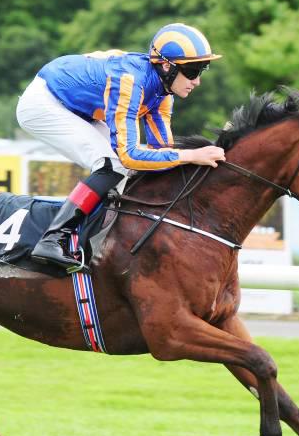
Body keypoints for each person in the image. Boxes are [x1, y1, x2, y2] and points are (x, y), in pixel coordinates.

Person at [16, 22, 226, 270]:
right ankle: (52, 240)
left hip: (80, 108)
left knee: (126, 169)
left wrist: (212, 151)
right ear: (167, 66)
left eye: (203, 69)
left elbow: (162, 152)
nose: (198, 81)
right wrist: (191, 154)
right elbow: (129, 156)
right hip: (44, 102)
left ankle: (99, 241)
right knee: (112, 164)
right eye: (192, 71)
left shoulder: (163, 93)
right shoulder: (131, 82)